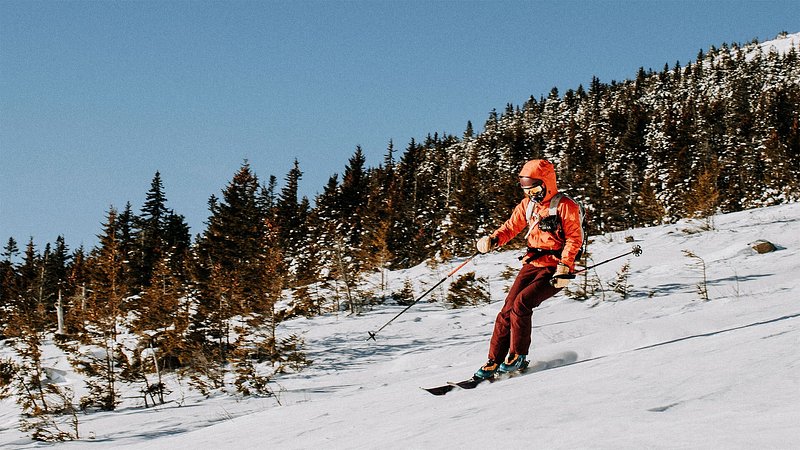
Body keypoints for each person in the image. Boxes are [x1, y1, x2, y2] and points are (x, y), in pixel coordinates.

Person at [473, 159, 584, 379]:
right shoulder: (529, 205)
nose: (531, 194)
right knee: (506, 311)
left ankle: (518, 356)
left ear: (547, 183)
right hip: (532, 264)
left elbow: (574, 239)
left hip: (556, 268)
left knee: (521, 304)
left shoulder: (565, 206)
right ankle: (493, 361)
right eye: (526, 190)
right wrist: (493, 239)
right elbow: (511, 227)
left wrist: (565, 267)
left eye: (534, 189)